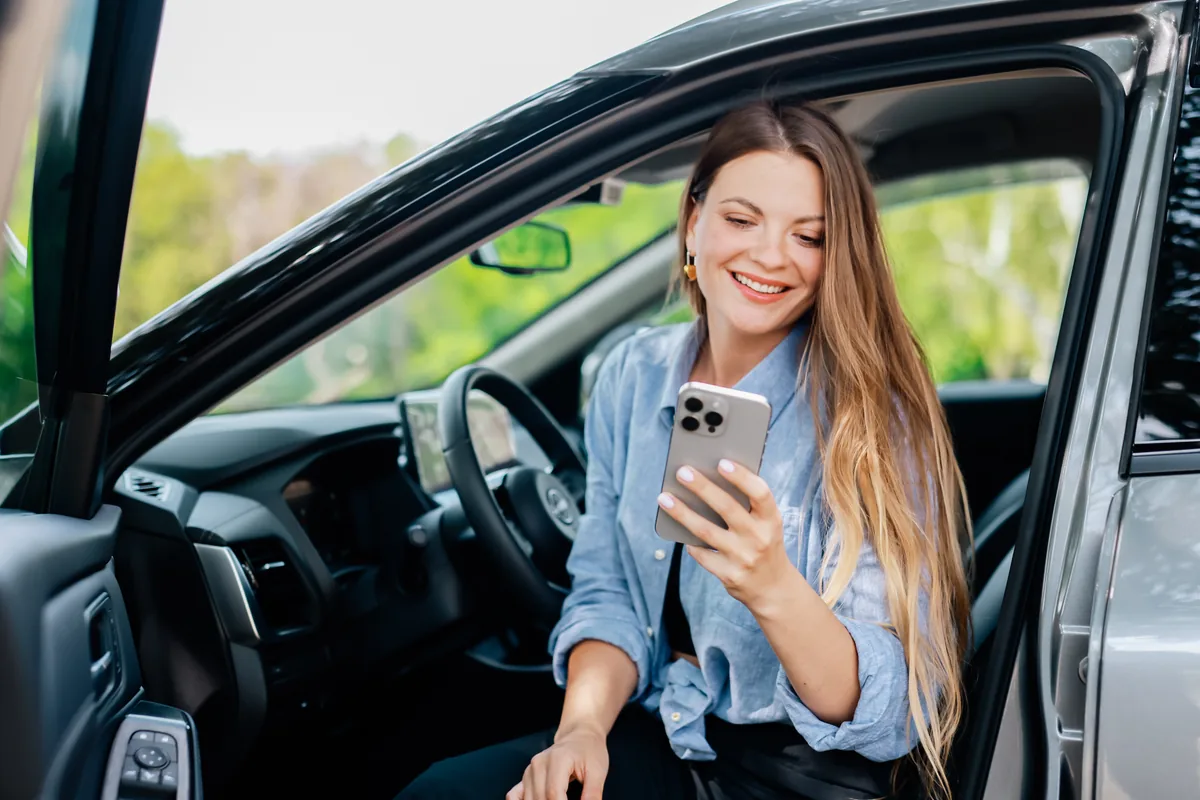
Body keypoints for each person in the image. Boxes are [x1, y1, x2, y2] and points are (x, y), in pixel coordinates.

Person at [397, 101, 972, 800]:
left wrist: (772, 587)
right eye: (740, 219)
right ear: (692, 220)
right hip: (665, 725)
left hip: (798, 769)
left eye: (808, 236)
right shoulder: (633, 376)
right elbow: (607, 589)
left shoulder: (870, 418)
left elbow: (891, 712)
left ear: (835, 256)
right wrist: (579, 731)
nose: (769, 255)